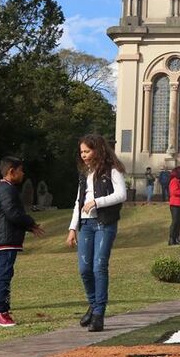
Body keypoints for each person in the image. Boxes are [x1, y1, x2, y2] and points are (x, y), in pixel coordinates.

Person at [66, 135, 126, 333]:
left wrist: (97, 202)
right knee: (84, 268)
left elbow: (121, 195)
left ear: (97, 150)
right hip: (86, 224)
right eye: (81, 152)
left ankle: (99, 314)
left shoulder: (112, 170)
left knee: (99, 266)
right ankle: (93, 305)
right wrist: (72, 228)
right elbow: (78, 202)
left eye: (87, 151)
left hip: (104, 223)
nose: (83, 155)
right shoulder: (85, 174)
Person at [0, 156, 44, 327]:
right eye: (21, 170)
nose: (23, 174)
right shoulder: (7, 189)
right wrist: (31, 223)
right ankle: (1, 312)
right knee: (3, 275)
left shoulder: (2, 188)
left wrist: (28, 226)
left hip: (1, 238)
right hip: (6, 239)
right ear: (11, 171)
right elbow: (13, 213)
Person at [167, 166, 180, 245]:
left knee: (179, 222)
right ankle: (171, 238)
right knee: (175, 221)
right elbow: (174, 192)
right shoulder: (174, 181)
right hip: (175, 204)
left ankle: (176, 238)